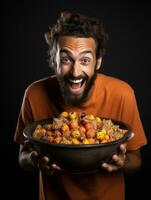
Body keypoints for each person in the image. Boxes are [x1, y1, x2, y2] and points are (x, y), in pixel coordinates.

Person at [14, 10, 147, 200]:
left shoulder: (122, 94)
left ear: (98, 62)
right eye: (66, 59)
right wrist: (35, 160)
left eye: (85, 60)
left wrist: (121, 161)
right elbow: (23, 157)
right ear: (54, 60)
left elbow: (136, 161)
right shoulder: (34, 94)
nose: (76, 72)